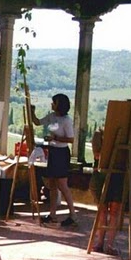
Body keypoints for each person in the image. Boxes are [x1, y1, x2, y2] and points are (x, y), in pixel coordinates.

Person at [32, 93, 77, 227]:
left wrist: (55, 138)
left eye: (54, 102)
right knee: (52, 185)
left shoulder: (66, 120)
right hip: (53, 151)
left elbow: (71, 139)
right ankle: (52, 214)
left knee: (62, 185)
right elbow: (37, 122)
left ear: (59, 105)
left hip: (61, 153)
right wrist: (31, 112)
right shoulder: (51, 116)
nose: (52, 104)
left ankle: (73, 214)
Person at [89, 129, 123, 255]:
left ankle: (109, 245)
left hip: (118, 175)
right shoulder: (99, 133)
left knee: (114, 211)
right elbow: (97, 155)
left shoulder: (125, 134)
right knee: (102, 211)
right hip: (100, 176)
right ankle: (100, 243)